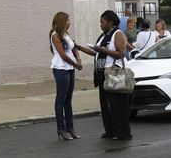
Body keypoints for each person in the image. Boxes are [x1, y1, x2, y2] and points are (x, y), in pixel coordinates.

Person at [74, 10, 131, 140]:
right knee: (105, 105)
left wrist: (101, 50)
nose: (100, 24)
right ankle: (109, 131)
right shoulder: (104, 35)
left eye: (102, 22)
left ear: (110, 22)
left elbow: (121, 53)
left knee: (116, 104)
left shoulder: (118, 34)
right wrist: (79, 47)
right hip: (102, 74)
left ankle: (121, 133)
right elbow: (97, 53)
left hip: (113, 73)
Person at [49, 12, 82, 141]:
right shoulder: (55, 36)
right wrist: (75, 64)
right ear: (61, 21)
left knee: (68, 99)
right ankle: (61, 129)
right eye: (67, 21)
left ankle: (70, 128)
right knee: (61, 98)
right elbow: (63, 55)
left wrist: (78, 59)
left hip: (70, 68)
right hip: (61, 69)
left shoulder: (66, 34)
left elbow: (73, 47)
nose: (69, 23)